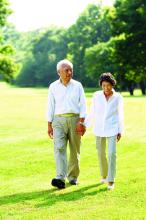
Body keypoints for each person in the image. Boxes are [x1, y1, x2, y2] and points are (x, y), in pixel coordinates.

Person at [47, 59, 86, 189]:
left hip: (75, 120)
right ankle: (60, 178)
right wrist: (49, 124)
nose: (69, 72)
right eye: (66, 70)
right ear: (59, 72)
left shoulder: (78, 85)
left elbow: (83, 105)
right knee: (59, 148)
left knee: (75, 149)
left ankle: (73, 177)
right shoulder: (53, 86)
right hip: (58, 120)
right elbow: (50, 106)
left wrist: (82, 122)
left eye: (71, 70)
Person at [85, 73, 124, 190]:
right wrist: (85, 125)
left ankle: (111, 180)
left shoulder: (118, 97)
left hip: (112, 128)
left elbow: (120, 115)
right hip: (99, 128)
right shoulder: (96, 96)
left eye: (108, 85)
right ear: (101, 85)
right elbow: (92, 112)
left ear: (112, 85)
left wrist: (120, 130)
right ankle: (104, 175)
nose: (106, 88)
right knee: (101, 153)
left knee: (112, 153)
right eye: (103, 85)